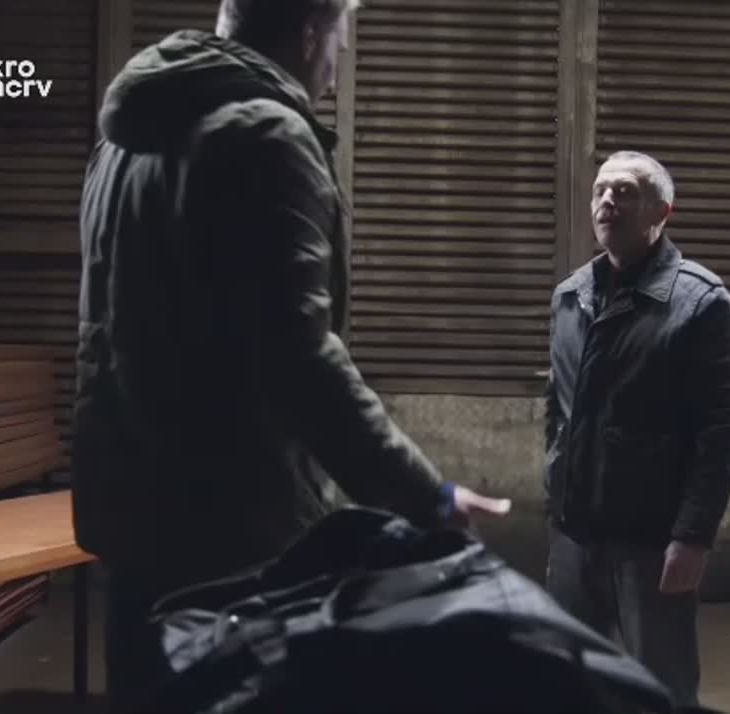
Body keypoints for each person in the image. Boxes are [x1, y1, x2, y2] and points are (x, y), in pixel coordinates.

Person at [71, 0, 510, 709]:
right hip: (231, 535)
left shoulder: (124, 140)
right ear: (309, 35)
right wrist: (424, 495)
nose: (338, 64)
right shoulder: (267, 135)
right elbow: (300, 358)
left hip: (132, 518)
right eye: (340, 39)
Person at [543, 151, 730, 707]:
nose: (607, 201)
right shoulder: (571, 297)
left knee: (662, 690)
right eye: (601, 190)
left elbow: (719, 431)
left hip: (650, 545)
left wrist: (693, 537)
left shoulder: (701, 304)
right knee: (567, 684)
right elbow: (558, 410)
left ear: (662, 212)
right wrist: (556, 503)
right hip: (575, 537)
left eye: (625, 191)